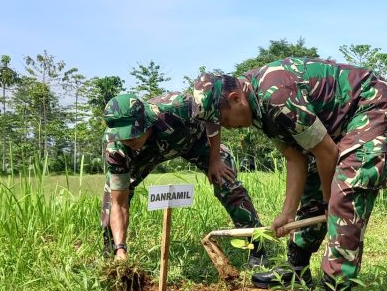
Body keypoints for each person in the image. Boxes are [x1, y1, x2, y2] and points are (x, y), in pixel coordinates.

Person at [193, 57, 387, 291]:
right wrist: (287, 214)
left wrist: (329, 203)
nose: (226, 128)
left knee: (345, 197)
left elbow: (327, 153)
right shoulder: (255, 109)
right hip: (335, 122)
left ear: (235, 98)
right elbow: (295, 158)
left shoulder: (276, 97)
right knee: (314, 187)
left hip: (369, 106)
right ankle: (297, 267)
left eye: (222, 120)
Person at [100, 92, 267, 266]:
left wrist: (215, 158)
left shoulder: (178, 106)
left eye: (132, 133)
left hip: (196, 141)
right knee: (111, 200)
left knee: (226, 181)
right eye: (122, 135)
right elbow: (119, 204)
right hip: (144, 156)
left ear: (145, 121)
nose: (127, 139)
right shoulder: (117, 151)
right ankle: (115, 256)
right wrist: (120, 248)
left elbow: (212, 115)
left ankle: (257, 248)